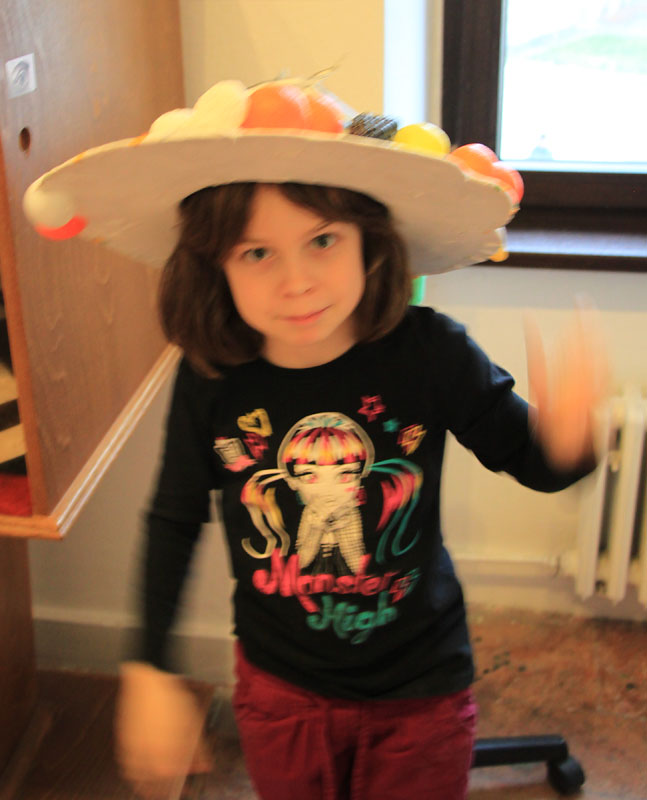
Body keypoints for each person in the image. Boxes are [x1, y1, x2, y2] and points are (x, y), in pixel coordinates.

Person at [23, 78, 607, 800]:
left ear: (368, 241)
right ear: (215, 265)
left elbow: (536, 464)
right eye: (256, 253)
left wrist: (569, 440)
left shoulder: (431, 354)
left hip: (420, 690)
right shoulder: (211, 377)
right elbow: (173, 518)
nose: (296, 282)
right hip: (281, 694)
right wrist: (148, 666)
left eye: (322, 240)